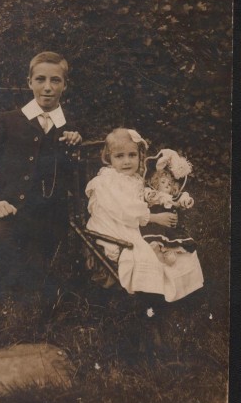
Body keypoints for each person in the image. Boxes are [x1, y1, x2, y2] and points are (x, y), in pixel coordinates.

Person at [0, 51, 82, 314]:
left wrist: (75, 149)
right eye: (40, 79)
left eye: (55, 81)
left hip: (47, 220)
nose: (47, 88)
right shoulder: (7, 121)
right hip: (6, 212)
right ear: (29, 82)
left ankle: (13, 295)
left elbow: (71, 179)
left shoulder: (70, 127)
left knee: (38, 281)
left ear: (65, 85)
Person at [85, 128, 175, 297]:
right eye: (119, 156)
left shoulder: (134, 178)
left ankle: (165, 282)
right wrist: (154, 217)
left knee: (159, 244)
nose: (127, 161)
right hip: (111, 223)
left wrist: (162, 198)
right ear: (109, 158)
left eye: (132, 155)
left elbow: (140, 199)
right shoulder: (107, 180)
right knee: (140, 252)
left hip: (128, 221)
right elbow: (124, 208)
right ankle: (148, 293)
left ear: (139, 156)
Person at [142, 148, 204, 302]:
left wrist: (185, 201)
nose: (166, 186)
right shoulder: (154, 195)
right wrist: (149, 195)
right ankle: (161, 252)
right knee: (156, 241)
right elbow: (145, 196)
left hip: (171, 229)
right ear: (155, 182)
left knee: (180, 244)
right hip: (155, 225)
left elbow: (183, 197)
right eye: (162, 182)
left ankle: (171, 254)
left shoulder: (173, 196)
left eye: (169, 183)